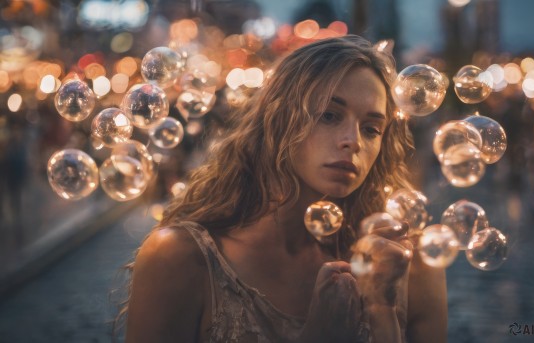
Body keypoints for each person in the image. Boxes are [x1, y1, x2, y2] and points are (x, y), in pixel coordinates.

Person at [123, 35, 447, 342]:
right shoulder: (180, 257)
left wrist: (381, 312)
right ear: (279, 118)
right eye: (329, 115)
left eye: (372, 128)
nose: (354, 141)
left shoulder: (408, 264)